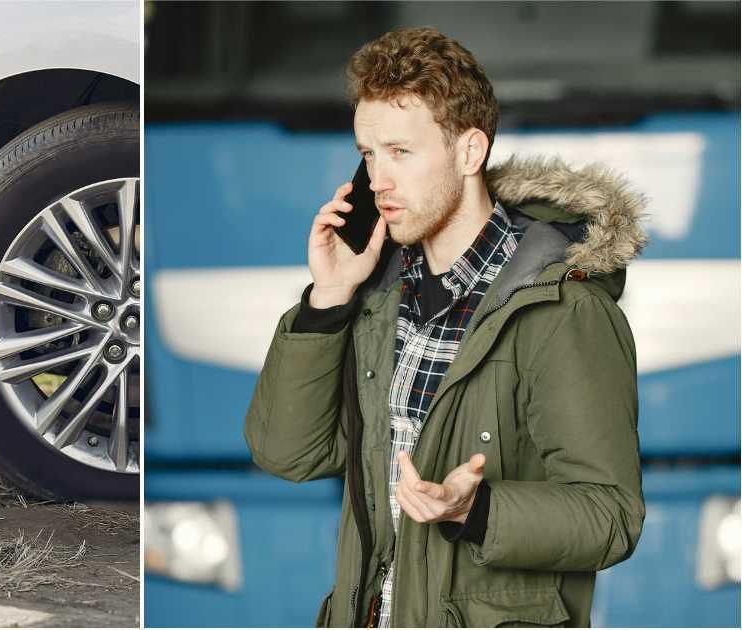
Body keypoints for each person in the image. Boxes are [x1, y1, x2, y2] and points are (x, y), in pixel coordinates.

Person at [243, 27, 646, 628]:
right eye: (368, 153)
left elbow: (611, 516)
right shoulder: (375, 298)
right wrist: (327, 299)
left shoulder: (563, 311)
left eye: (401, 152)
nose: (378, 178)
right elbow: (287, 454)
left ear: (468, 152)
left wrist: (477, 511)